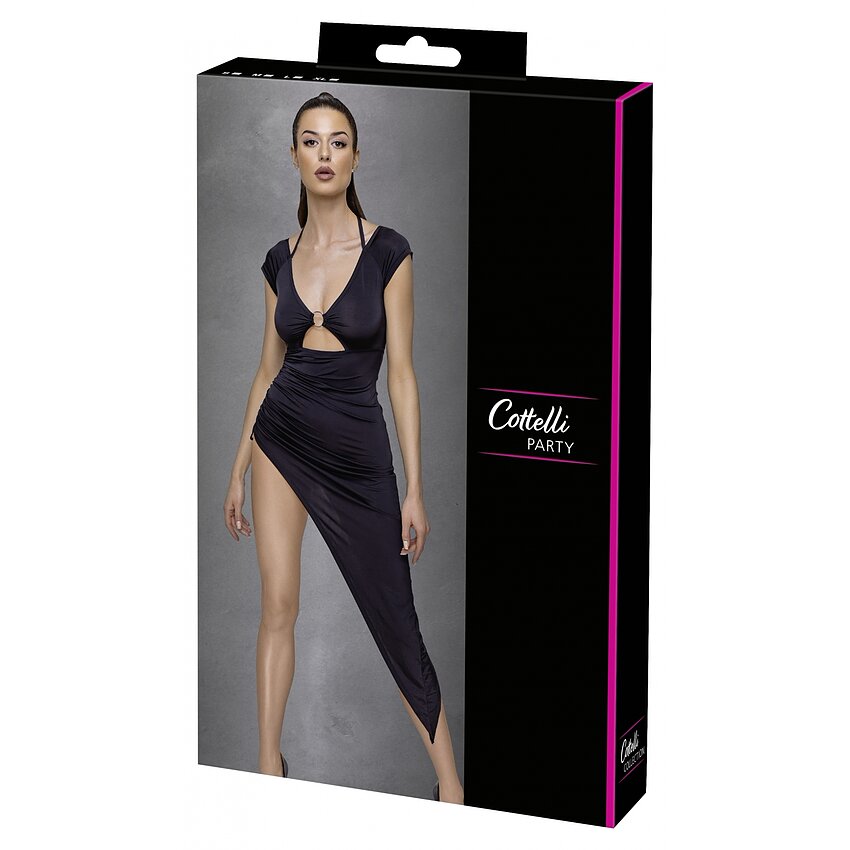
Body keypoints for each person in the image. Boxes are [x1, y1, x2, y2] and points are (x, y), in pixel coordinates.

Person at [223, 92, 464, 804]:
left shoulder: (389, 251)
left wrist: (414, 488)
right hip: (281, 437)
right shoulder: (279, 259)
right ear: (293, 156)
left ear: (356, 156)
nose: (324, 153)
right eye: (310, 140)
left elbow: (403, 376)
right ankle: (268, 773)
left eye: (337, 141)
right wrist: (237, 468)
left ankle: (451, 790)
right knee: (278, 605)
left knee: (396, 619)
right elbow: (266, 370)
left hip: (358, 449)